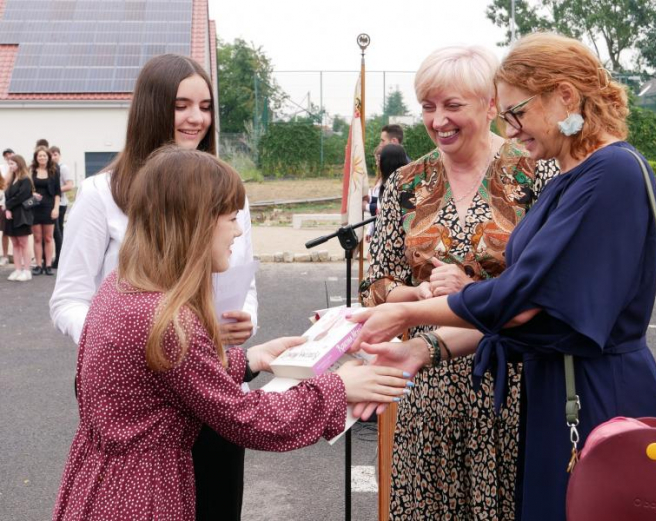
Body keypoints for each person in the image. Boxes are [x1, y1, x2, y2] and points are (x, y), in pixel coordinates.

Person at [350, 33, 656, 521]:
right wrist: (421, 348)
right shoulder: (575, 175)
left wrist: (410, 311)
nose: (512, 127)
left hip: (591, 393)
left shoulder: (611, 173)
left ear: (564, 96)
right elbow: (519, 312)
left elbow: (520, 301)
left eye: (517, 112)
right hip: (554, 386)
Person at [51, 146, 411, 521]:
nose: (239, 231)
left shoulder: (121, 287)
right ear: (195, 222)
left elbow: (165, 377)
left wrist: (250, 360)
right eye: (230, 217)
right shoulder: (168, 321)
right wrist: (337, 387)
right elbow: (246, 418)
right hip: (144, 496)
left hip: (99, 484)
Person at [49, 54, 257, 521]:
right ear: (151, 109)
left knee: (216, 504)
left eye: (205, 106)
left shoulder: (223, 190)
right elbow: (68, 299)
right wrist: (137, 349)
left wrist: (246, 322)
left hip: (214, 376)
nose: (196, 118)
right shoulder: (101, 194)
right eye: (181, 105)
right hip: (145, 402)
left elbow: (245, 279)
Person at [359, 45, 558, 520]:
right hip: (424, 387)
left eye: (452, 105)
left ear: (490, 105)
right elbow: (377, 285)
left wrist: (471, 287)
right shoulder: (406, 182)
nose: (437, 120)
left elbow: (550, 283)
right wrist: (417, 294)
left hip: (512, 383)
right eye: (428, 106)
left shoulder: (538, 173)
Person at [29, 146, 60, 276]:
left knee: (48, 238)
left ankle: (48, 265)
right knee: (37, 238)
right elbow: (26, 188)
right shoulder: (31, 171)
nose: (42, 158)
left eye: (44, 155)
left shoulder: (54, 171)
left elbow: (58, 192)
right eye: (39, 156)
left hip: (49, 207)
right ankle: (38, 265)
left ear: (48, 157)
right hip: (34, 207)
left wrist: (56, 208)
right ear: (36, 158)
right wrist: (32, 193)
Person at [3, 154, 34, 281]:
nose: (10, 166)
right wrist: (7, 209)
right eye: (9, 164)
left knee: (23, 243)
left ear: (19, 164)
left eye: (12, 164)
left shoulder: (25, 179)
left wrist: (8, 207)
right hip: (10, 215)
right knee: (15, 243)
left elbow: (22, 196)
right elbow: (7, 196)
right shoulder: (10, 179)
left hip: (22, 215)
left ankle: (27, 270)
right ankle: (17, 269)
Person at [50, 146, 74, 269]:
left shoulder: (63, 168)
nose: (53, 157)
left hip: (61, 204)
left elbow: (70, 185)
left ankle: (60, 260)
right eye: (51, 155)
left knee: (58, 232)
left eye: (55, 154)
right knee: (52, 234)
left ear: (59, 155)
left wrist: (54, 191)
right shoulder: (48, 168)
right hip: (50, 204)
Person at [0, 148, 13, 266]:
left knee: (14, 232)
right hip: (2, 203)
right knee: (4, 231)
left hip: (14, 204)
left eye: (10, 154)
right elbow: (3, 184)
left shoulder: (19, 168)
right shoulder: (2, 168)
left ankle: (16, 255)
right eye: (6, 155)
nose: (8, 156)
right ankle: (4, 255)